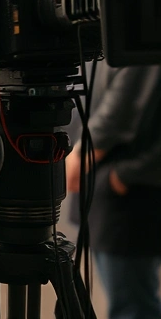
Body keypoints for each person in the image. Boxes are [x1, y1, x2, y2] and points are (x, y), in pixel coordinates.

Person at [66, 64, 161, 319]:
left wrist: (85, 151)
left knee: (132, 306)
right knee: (130, 300)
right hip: (114, 180)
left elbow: (126, 96)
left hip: (128, 185)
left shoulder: (140, 30)